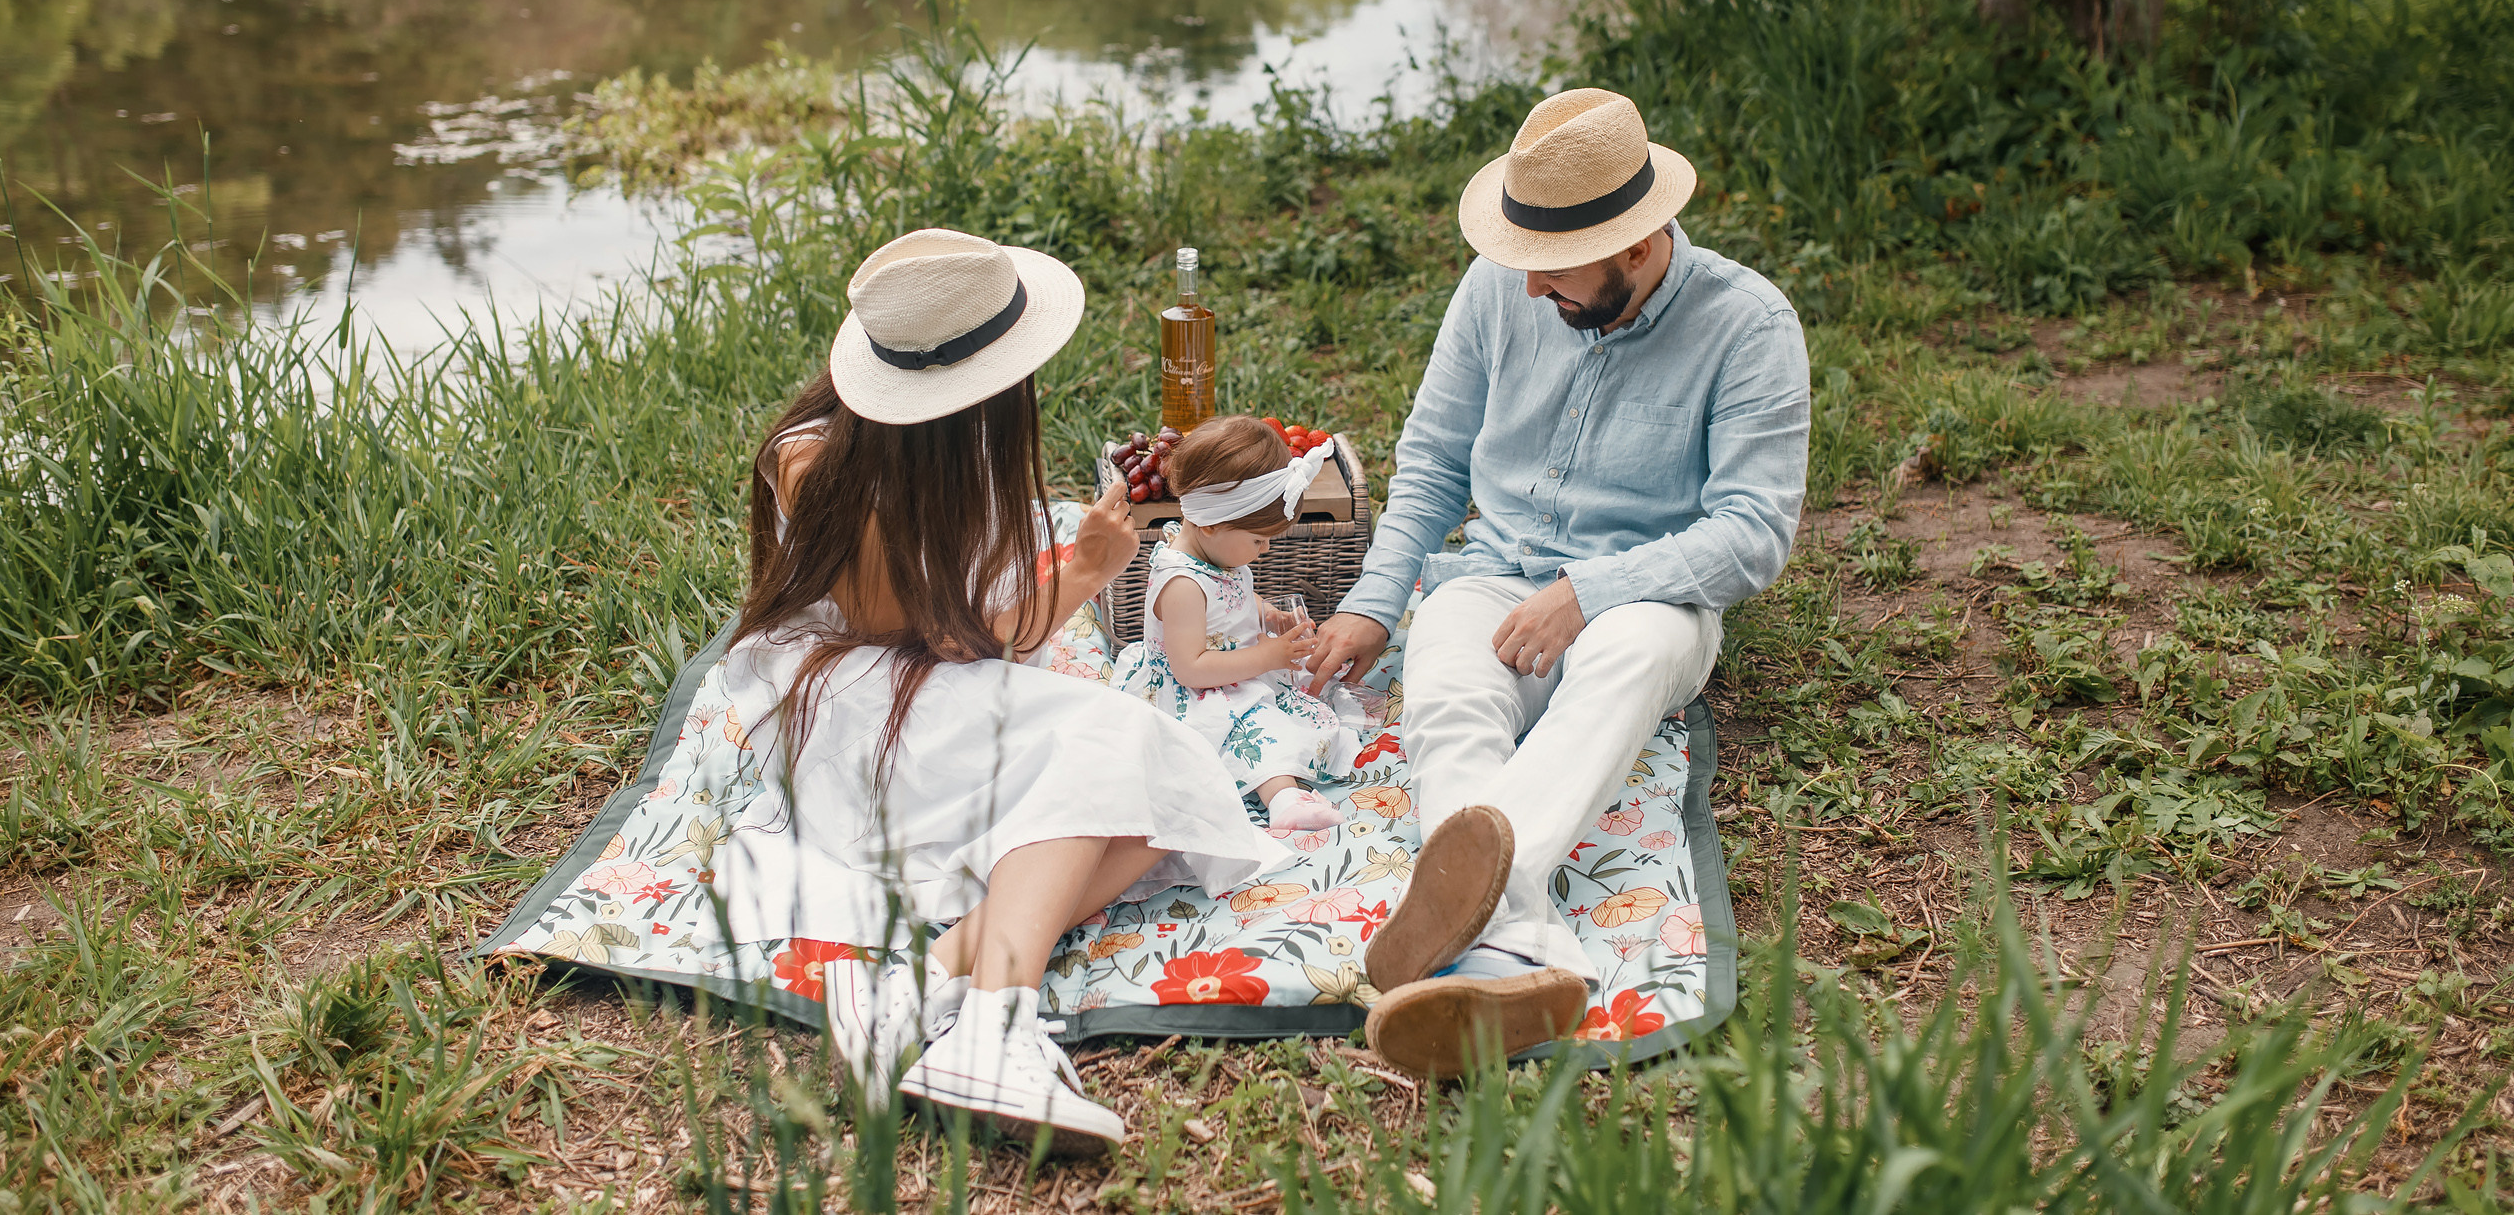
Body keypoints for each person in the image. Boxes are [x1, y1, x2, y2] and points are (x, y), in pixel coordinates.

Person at [709, 228, 1279, 1152]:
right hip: (851, 703)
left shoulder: (952, 443)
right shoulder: (817, 464)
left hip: (933, 681)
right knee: (1123, 746)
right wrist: (1089, 571)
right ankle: (993, 1020)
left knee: (1161, 788)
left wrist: (1077, 566)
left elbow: (974, 620)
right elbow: (943, 635)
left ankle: (926, 984)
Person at [1301, 89, 1811, 1076]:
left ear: (1638, 243)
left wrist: (1593, 589)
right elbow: (1436, 454)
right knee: (1445, 681)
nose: (1528, 291)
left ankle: (1470, 915)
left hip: (1647, 601)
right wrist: (1372, 601)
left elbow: (1752, 536)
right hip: (1496, 574)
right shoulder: (1501, 284)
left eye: (1553, 271)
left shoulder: (1749, 325)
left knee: (1626, 657)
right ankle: (1516, 945)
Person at [1108, 415, 1364, 831]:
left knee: (1278, 712)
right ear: (1211, 524)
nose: (1263, 551)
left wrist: (1266, 613)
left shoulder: (1215, 553)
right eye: (1258, 540)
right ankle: (1284, 800)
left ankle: (1285, 783)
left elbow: (1232, 594)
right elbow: (1190, 668)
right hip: (1195, 693)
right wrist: (1267, 656)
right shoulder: (1183, 586)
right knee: (1254, 732)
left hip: (1232, 672)